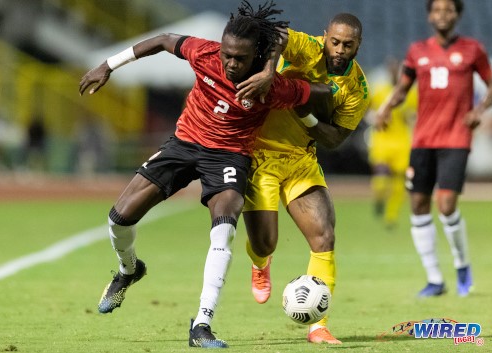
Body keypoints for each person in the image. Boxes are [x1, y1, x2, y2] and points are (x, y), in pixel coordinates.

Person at [79, 1, 331, 348]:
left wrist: (325, 94)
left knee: (224, 229)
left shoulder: (272, 88)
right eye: (227, 54)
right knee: (119, 219)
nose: (230, 63)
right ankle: (128, 270)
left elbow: (318, 92)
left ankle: (202, 325)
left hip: (229, 156)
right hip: (184, 143)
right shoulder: (205, 54)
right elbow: (164, 40)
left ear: (257, 55)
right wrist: (108, 65)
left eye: (239, 58)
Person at [235, 13, 369, 344]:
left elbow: (336, 139)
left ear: (358, 46)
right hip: (261, 156)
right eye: (334, 42)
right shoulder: (308, 47)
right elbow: (276, 34)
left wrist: (303, 111)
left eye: (347, 45)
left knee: (324, 237)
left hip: (300, 160)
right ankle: (260, 262)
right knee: (265, 242)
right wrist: (269, 73)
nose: (338, 49)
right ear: (325, 37)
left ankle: (318, 326)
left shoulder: (356, 89)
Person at [376, 0, 492, 297]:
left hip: (456, 138)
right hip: (423, 140)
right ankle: (434, 279)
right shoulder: (417, 51)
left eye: (449, 10)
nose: (443, 14)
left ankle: (461, 265)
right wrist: (385, 108)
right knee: (418, 205)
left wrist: (480, 110)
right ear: (429, 16)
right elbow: (403, 88)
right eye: (437, 10)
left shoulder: (473, 50)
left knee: (446, 205)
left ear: (457, 15)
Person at [367, 58, 417, 229]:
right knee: (381, 181)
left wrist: (411, 117)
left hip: (402, 142)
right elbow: (367, 108)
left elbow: (416, 114)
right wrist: (374, 117)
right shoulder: (380, 91)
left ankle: (391, 217)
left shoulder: (411, 94)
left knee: (398, 184)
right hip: (382, 140)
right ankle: (379, 199)